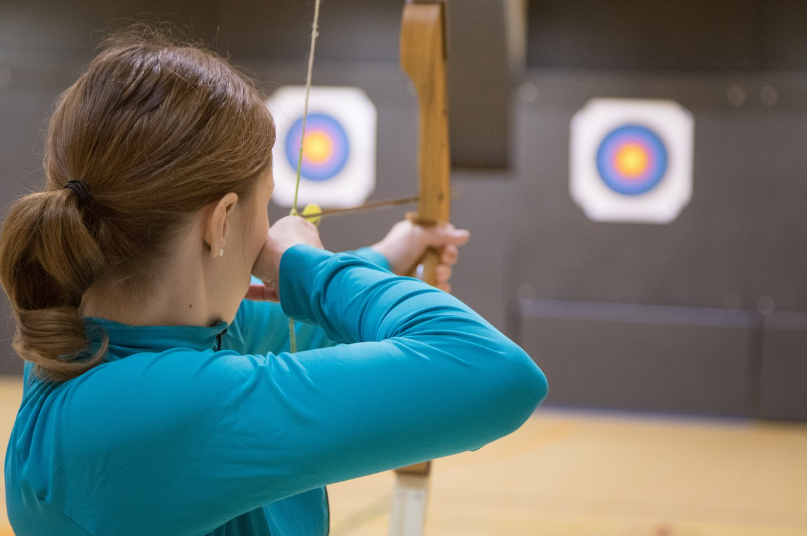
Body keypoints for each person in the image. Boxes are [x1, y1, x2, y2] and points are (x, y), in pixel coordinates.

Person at [0, 28, 547, 536]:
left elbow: (291, 329)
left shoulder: (88, 334)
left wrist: (383, 258)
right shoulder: (150, 413)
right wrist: (309, 268)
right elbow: (496, 374)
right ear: (219, 223)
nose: (270, 228)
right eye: (267, 207)